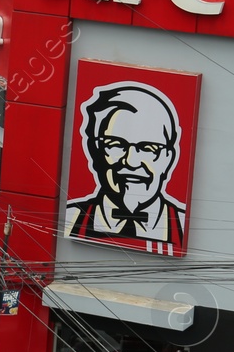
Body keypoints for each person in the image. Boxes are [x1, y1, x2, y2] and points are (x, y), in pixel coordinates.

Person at [64, 82, 189, 256]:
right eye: (116, 144)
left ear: (168, 158)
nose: (131, 161)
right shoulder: (68, 219)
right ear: (94, 152)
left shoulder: (185, 225)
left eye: (148, 148)